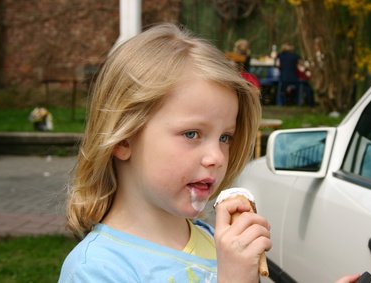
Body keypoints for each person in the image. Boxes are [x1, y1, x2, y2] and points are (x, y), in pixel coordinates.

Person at [58, 23, 270, 283]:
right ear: (124, 139)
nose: (217, 157)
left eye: (225, 137)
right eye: (192, 134)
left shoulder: (216, 243)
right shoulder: (96, 270)